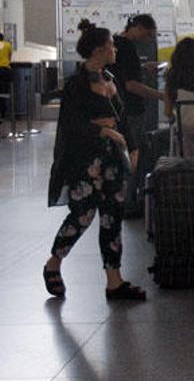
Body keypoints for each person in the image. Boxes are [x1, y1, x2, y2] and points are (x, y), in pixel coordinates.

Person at [44, 20, 146, 301]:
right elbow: (71, 123)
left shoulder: (109, 80)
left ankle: (114, 279)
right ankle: (54, 262)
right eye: (111, 45)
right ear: (99, 49)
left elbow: (122, 119)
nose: (115, 49)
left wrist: (132, 146)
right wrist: (103, 129)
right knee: (83, 214)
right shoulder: (77, 84)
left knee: (113, 216)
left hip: (113, 159)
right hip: (86, 160)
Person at [107, 14, 164, 217]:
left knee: (125, 155)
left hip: (117, 111)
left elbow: (119, 75)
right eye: (146, 34)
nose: (146, 40)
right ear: (137, 27)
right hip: (132, 110)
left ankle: (123, 200)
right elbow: (131, 85)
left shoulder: (114, 44)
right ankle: (130, 202)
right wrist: (161, 96)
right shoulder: (128, 47)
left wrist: (141, 68)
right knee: (134, 156)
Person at [0, 32, 12, 127]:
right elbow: (9, 57)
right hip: (5, 70)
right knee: (4, 92)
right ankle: (3, 113)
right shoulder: (7, 45)